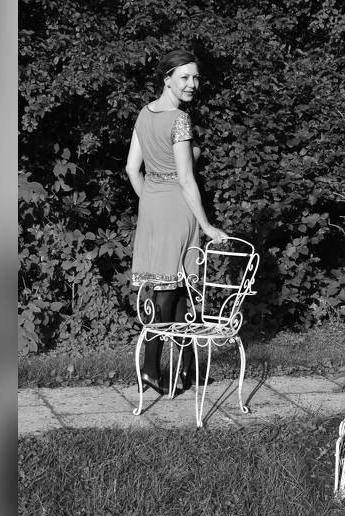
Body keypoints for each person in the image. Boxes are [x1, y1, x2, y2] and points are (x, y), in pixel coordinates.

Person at [125, 49, 228, 395]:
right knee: (172, 289)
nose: (192, 84)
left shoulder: (144, 114)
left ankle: (185, 369)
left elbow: (131, 169)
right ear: (166, 79)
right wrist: (207, 226)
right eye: (184, 77)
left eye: (195, 77)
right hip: (178, 209)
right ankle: (151, 368)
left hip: (153, 208)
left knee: (175, 287)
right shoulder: (180, 119)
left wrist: (152, 204)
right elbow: (186, 179)